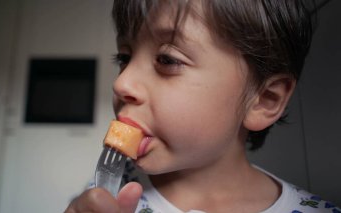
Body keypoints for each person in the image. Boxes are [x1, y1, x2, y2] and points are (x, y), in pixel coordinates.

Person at [65, 0, 340, 212]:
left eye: (168, 60)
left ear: (264, 100)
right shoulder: (107, 195)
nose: (122, 83)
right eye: (124, 57)